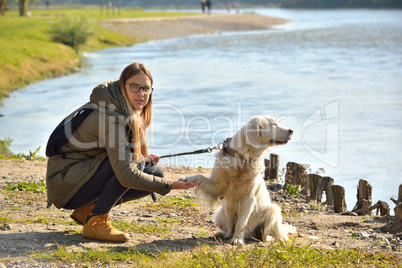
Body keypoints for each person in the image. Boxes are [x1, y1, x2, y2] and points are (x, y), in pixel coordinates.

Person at [46, 62, 198, 243]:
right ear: (122, 86)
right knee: (136, 162)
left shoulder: (118, 106)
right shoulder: (113, 117)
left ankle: (88, 210)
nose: (141, 94)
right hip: (65, 184)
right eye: (135, 87)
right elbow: (126, 175)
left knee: (153, 171)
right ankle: (97, 220)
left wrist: (143, 158)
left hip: (79, 176)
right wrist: (170, 185)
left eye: (146, 89)